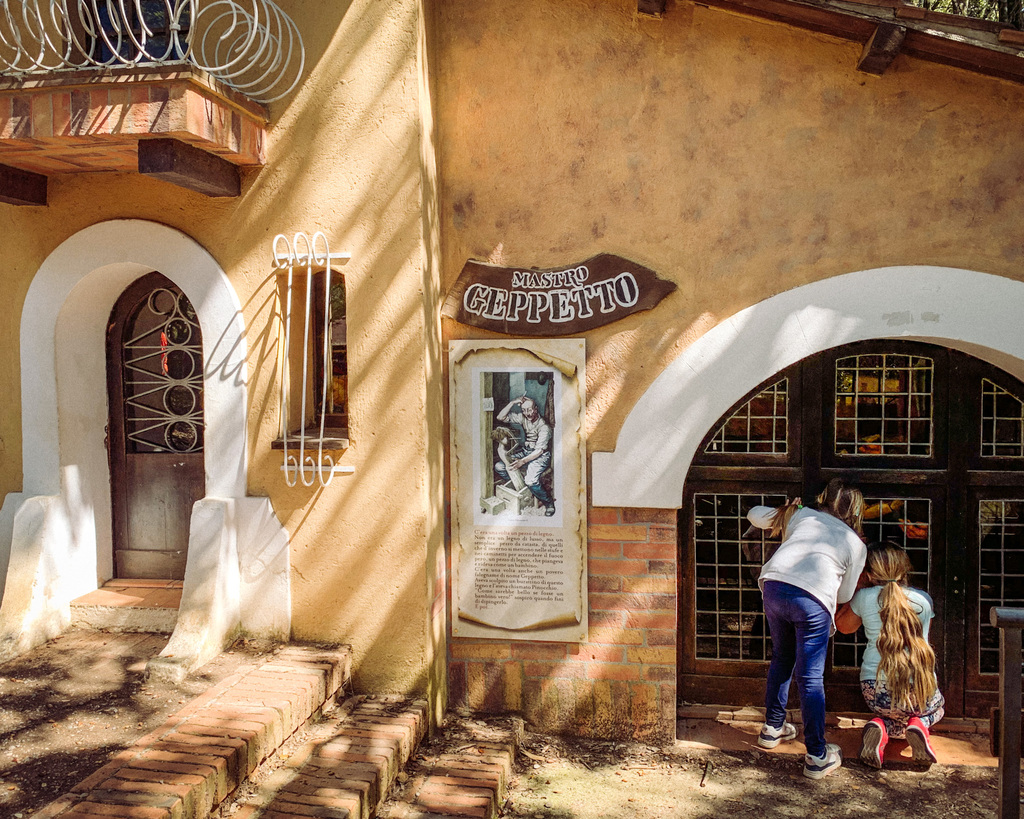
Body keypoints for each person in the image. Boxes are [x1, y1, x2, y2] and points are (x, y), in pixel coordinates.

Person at [746, 478, 867, 779]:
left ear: (822, 498)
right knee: (810, 676)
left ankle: (772, 728)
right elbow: (845, 595)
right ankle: (816, 755)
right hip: (812, 599)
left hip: (773, 585)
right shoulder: (855, 542)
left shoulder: (802, 515)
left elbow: (754, 514)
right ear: (856, 510)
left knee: (782, 657)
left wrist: (788, 509)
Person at [835, 541, 944, 769]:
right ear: (904, 569)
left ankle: (882, 725)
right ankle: (918, 725)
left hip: (876, 691)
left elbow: (843, 627)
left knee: (889, 713)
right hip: (920, 690)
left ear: (869, 573)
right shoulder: (923, 600)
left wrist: (857, 589)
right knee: (938, 707)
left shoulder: (864, 597)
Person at [494, 394, 555, 516]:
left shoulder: (544, 427)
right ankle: (525, 489)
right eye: (524, 410)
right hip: (526, 452)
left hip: (540, 456)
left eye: (530, 409)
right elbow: (500, 417)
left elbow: (539, 451)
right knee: (499, 467)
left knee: (531, 480)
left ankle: (548, 503)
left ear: (536, 408)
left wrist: (522, 461)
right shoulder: (523, 418)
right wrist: (512, 403)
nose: (527, 413)